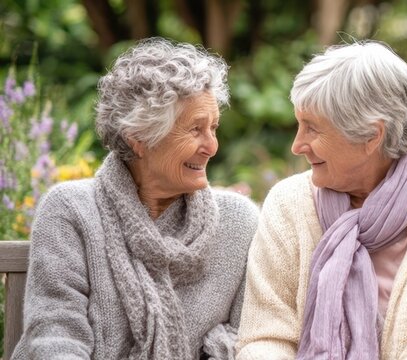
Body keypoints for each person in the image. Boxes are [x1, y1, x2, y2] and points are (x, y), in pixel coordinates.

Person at [236, 41, 407, 359]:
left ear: (371, 135)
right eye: (298, 125)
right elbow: (265, 338)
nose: (297, 145)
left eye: (312, 129)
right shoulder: (288, 203)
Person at [11, 38, 258, 360]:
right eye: (195, 129)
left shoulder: (238, 221)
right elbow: (56, 335)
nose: (212, 146)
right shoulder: (71, 209)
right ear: (140, 137)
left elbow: (246, 336)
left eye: (214, 128)